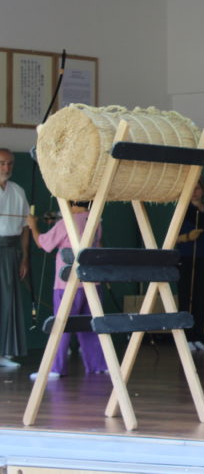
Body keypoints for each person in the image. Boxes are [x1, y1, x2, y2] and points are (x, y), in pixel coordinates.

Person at [26, 201, 107, 379]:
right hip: (92, 283)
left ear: (70, 203)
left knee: (60, 326)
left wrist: (33, 226)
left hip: (68, 285)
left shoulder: (65, 224)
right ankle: (98, 365)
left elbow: (43, 243)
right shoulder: (95, 221)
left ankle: (55, 368)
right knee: (89, 325)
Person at [176, 176, 204, 352]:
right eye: (192, 188)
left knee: (201, 299)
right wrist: (187, 237)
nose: (195, 192)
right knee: (187, 298)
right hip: (187, 258)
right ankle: (185, 338)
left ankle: (198, 336)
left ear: (203, 190)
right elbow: (173, 238)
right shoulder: (183, 210)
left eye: (198, 188)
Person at [0, 148, 29, 368]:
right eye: (1, 163)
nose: (6, 168)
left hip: (10, 250)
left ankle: (6, 352)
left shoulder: (17, 191)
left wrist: (24, 258)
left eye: (10, 163)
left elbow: (26, 227)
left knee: (8, 300)